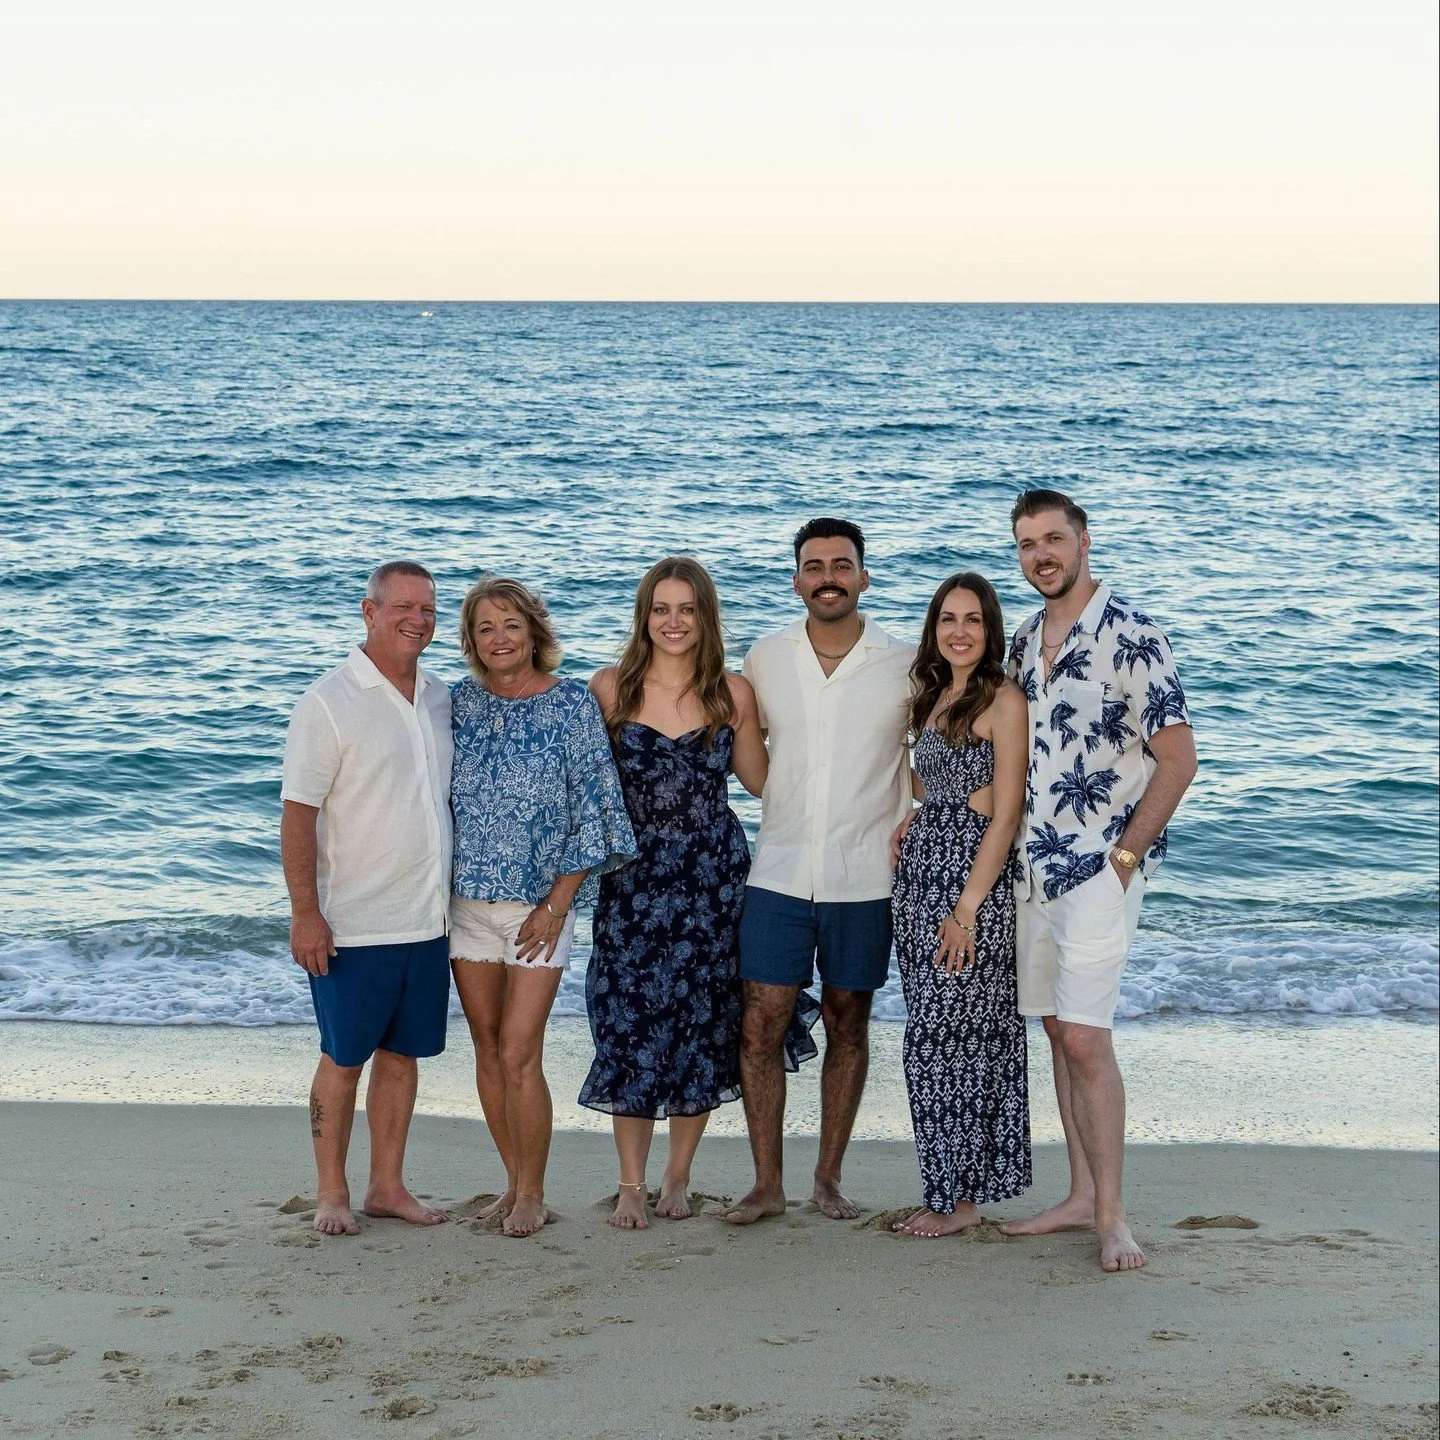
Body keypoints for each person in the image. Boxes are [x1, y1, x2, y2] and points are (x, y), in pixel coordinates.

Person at [580, 557, 815, 1230]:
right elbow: (579, 790)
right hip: (633, 884)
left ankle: (678, 1176)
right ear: (644, 616)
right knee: (625, 1026)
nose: (674, 621)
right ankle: (631, 1184)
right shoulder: (609, 690)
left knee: (699, 1027)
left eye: (687, 609)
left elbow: (768, 784)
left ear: (705, 617)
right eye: (661, 608)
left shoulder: (731, 694)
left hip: (713, 884)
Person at [999, 489, 1197, 1272]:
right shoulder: (1021, 640)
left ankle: (1113, 1217)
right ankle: (1078, 1194)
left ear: (1084, 541)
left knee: (1086, 1037)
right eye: (1026, 544)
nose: (1040, 555)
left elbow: (1178, 763)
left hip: (1097, 871)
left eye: (1052, 539)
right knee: (1054, 1026)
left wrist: (1123, 862)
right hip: (1028, 869)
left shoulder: (1133, 634)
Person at [723, 518, 915, 1225]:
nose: (827, 576)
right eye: (814, 565)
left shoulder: (904, 662)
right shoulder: (765, 658)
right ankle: (766, 1184)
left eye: (842, 564)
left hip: (865, 876)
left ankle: (828, 1179)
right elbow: (750, 761)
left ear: (864, 576)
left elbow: (935, 759)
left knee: (848, 1022)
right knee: (759, 1024)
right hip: (777, 870)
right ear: (797, 578)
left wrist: (920, 814)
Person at [449, 575, 635, 1238]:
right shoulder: (457, 706)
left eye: (511, 625)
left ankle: (534, 1191)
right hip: (465, 904)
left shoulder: (570, 706)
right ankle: (509, 1181)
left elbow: (595, 811)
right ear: (471, 640)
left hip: (540, 910)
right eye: (485, 628)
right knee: (488, 1046)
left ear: (535, 631)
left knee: (521, 1050)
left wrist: (558, 904)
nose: (499, 639)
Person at [280, 560, 453, 1238]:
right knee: (343, 1058)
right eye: (403, 607)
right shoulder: (328, 702)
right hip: (353, 923)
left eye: (429, 610)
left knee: (404, 1057)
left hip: (429, 920)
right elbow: (299, 815)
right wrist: (305, 912)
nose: (417, 620)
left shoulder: (439, 696)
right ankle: (331, 1192)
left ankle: (387, 1185)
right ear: (369, 611)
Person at [889, 573, 1031, 1236]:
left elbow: (1005, 815)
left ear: (990, 629)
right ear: (934, 627)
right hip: (918, 882)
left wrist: (968, 907)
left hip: (969, 887)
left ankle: (960, 1201)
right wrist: (909, 817)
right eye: (949, 618)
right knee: (927, 1038)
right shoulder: (931, 694)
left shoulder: (1004, 699)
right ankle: (945, 1188)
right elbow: (931, 782)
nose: (960, 631)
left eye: (973, 619)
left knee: (963, 1038)